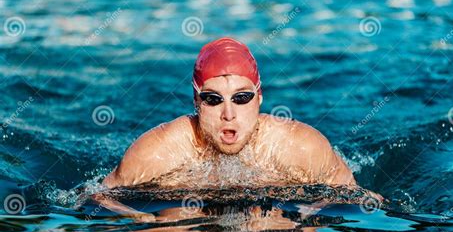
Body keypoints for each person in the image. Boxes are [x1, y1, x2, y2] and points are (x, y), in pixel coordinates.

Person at [102, 37, 356, 190]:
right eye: (212, 99)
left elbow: (358, 199)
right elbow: (96, 199)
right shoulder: (157, 152)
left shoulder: (301, 148)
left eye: (241, 98)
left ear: (259, 97)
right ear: (196, 101)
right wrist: (137, 217)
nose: (229, 114)